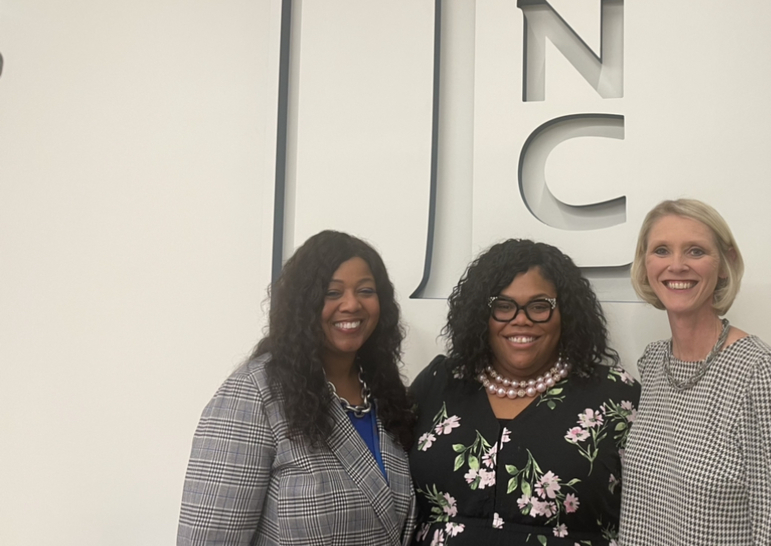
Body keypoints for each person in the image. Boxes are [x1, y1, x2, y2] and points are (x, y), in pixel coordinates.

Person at [619, 199, 771, 545]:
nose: (676, 265)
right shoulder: (654, 363)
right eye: (661, 250)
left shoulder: (762, 376)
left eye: (695, 251)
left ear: (725, 264)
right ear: (644, 263)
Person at [177, 231, 416, 546]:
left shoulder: (386, 393)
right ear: (304, 303)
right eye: (332, 292)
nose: (351, 304)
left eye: (366, 290)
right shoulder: (255, 393)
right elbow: (209, 538)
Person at [408, 239, 640, 546]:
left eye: (539, 306)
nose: (521, 319)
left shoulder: (614, 395)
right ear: (481, 315)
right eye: (503, 306)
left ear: (565, 314)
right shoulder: (441, 381)